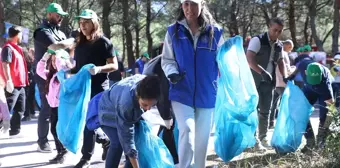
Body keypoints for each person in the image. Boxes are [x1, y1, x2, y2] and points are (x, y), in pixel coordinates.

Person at [161, 0, 224, 167]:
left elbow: (224, 62)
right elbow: (167, 59)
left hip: (207, 93)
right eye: (186, 4)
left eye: (194, 3)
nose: (189, 8)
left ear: (202, 4)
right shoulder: (173, 31)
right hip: (181, 91)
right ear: (182, 6)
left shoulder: (216, 33)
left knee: (202, 140)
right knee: (187, 131)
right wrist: (171, 73)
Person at [71, 9, 118, 168]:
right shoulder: (79, 44)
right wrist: (67, 72)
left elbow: (114, 65)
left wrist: (99, 69)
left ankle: (86, 158)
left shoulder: (104, 42)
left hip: (99, 89)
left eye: (86, 22)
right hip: (83, 90)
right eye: (81, 23)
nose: (83, 25)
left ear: (94, 23)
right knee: (90, 122)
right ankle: (105, 142)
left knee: (93, 122)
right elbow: (78, 68)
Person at [33, 2, 75, 152]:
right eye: (58, 15)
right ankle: (42, 141)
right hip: (45, 74)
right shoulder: (41, 31)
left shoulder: (60, 32)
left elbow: (69, 50)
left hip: (62, 74)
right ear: (49, 14)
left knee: (60, 108)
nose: (60, 18)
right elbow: (55, 46)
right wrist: (71, 41)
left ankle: (61, 139)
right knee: (47, 107)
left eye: (62, 16)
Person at [246, 17, 287, 151]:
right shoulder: (257, 40)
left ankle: (263, 137)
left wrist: (285, 77)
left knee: (266, 110)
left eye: (280, 31)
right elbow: (249, 58)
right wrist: (262, 72)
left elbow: (281, 62)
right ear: (269, 26)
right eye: (275, 30)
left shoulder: (279, 45)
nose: (277, 33)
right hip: (254, 80)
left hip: (269, 82)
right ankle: (253, 140)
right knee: (252, 110)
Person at [286, 61, 334, 152]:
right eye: (313, 80)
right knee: (300, 112)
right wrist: (292, 75)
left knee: (325, 116)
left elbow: (331, 109)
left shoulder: (325, 86)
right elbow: (298, 66)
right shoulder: (303, 65)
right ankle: (310, 141)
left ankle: (321, 142)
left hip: (322, 91)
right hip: (309, 90)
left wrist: (324, 130)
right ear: (305, 73)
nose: (314, 83)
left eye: (316, 80)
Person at [36, 49, 73, 164]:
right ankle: (61, 152)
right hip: (53, 107)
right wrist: (44, 58)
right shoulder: (51, 76)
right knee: (54, 130)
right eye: (52, 61)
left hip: (62, 107)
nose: (53, 63)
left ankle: (63, 151)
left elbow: (62, 67)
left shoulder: (65, 74)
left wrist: (57, 54)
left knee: (57, 130)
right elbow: (40, 70)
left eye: (55, 61)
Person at [0, 26, 29, 136]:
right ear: (17, 35)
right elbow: (5, 64)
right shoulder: (8, 48)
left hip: (20, 84)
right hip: (12, 84)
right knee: (6, 108)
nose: (22, 36)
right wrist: (8, 81)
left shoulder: (17, 49)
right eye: (21, 34)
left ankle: (15, 130)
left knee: (20, 108)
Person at [269, 39, 296, 129]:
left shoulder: (277, 53)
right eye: (290, 48)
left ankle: (271, 123)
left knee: (273, 104)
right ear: (286, 46)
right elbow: (285, 67)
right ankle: (286, 124)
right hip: (283, 82)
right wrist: (293, 69)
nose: (290, 50)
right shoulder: (283, 54)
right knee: (287, 104)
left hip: (276, 82)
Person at [22, 48, 37, 121]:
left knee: (27, 98)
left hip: (28, 80)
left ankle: (27, 115)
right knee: (30, 98)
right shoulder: (30, 59)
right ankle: (32, 112)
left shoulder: (25, 60)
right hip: (32, 79)